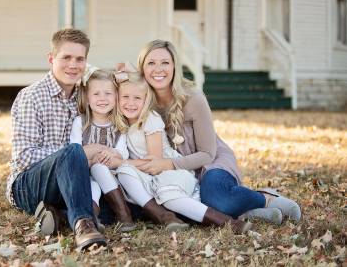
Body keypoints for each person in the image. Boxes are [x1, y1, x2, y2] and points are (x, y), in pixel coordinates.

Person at [133, 39, 301, 225]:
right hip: (176, 175)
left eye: (165, 62)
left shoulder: (193, 98)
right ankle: (250, 213)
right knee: (172, 204)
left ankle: (264, 198)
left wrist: (168, 164)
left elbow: (207, 153)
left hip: (209, 164)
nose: (158, 69)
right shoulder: (139, 101)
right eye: (151, 63)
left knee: (214, 198)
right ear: (142, 69)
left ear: (174, 67)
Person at [114, 71, 252, 233]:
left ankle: (228, 222)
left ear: (146, 100)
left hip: (169, 172)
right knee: (124, 173)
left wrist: (120, 162)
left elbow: (154, 162)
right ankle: (160, 213)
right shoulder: (122, 122)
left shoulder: (149, 120)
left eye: (137, 98)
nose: (130, 103)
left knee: (170, 197)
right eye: (125, 97)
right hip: (151, 177)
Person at [7, 29, 107, 251]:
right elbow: (23, 158)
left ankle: (59, 215)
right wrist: (79, 153)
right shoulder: (31, 96)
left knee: (112, 202)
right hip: (27, 185)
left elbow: (107, 87)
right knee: (73, 151)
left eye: (80, 59)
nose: (73, 65)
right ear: (51, 59)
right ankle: (83, 225)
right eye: (66, 57)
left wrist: (121, 77)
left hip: (70, 183)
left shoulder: (85, 95)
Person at [69, 68, 136, 232]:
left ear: (116, 97)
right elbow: (75, 150)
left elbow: (123, 152)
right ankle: (93, 220)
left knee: (100, 170)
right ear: (87, 97)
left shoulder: (119, 124)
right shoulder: (81, 122)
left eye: (108, 93)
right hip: (85, 175)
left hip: (111, 176)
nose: (102, 98)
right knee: (93, 186)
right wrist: (95, 158)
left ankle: (124, 215)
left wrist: (113, 153)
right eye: (96, 94)